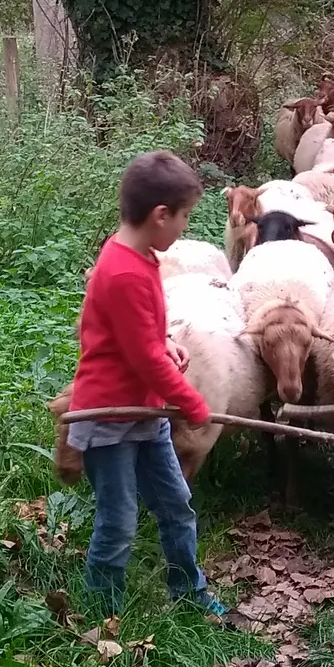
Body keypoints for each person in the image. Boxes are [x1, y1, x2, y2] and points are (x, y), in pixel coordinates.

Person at [67, 151, 226, 618]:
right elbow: (143, 360)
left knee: (176, 504)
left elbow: (140, 337)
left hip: (146, 412)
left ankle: (189, 593)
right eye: (185, 217)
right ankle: (101, 616)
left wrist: (167, 341)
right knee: (118, 522)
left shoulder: (139, 258)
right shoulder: (121, 271)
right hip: (110, 417)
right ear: (160, 215)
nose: (184, 228)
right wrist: (194, 404)